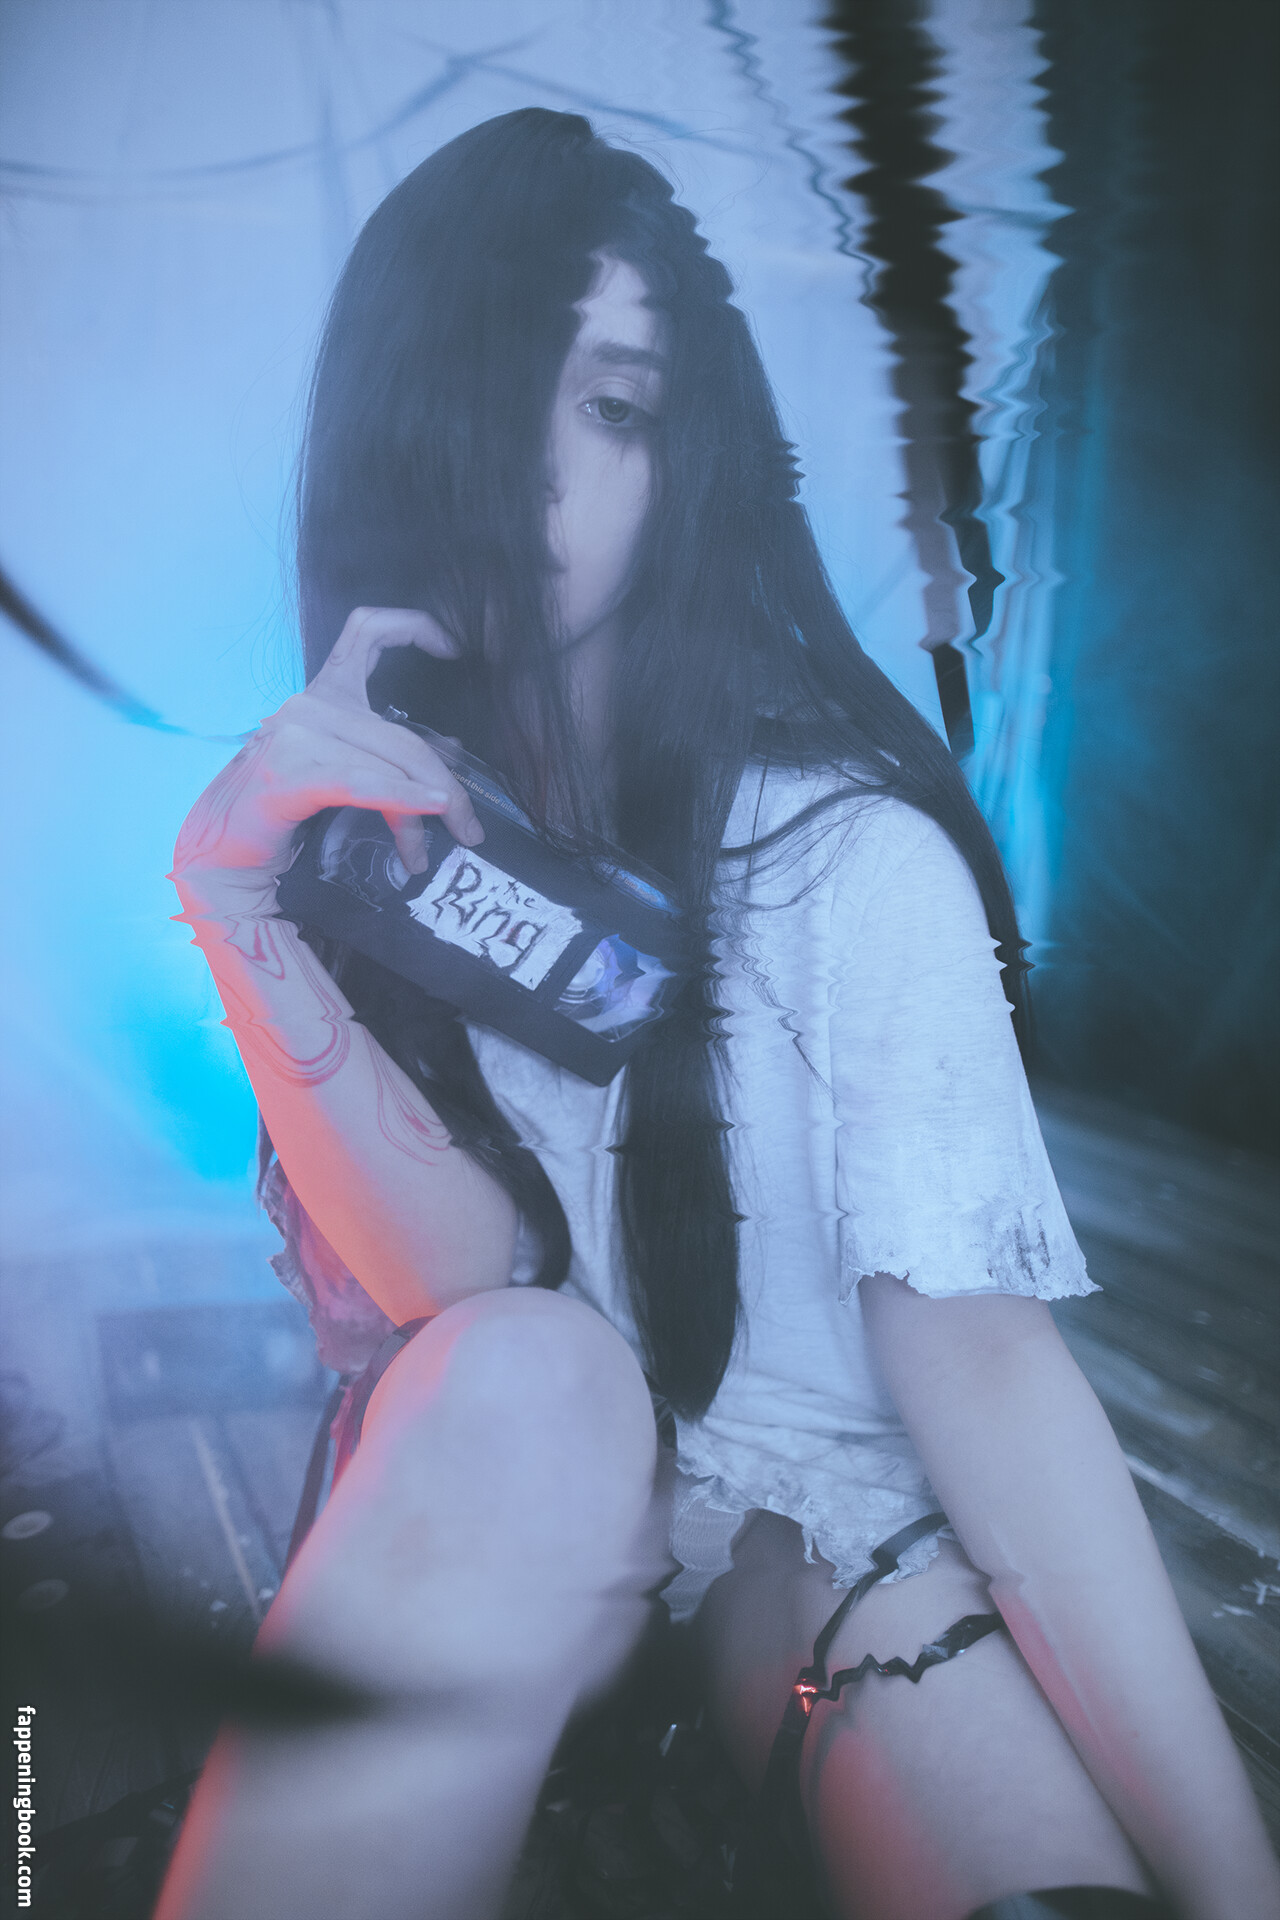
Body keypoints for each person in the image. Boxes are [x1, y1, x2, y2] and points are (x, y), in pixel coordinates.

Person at [156, 109, 1279, 1920]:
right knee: (531, 1377)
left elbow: (986, 1370)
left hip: (811, 1547)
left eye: (611, 408)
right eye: (495, 390)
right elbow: (464, 1297)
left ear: (688, 459)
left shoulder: (844, 861)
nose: (541, 478)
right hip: (527, 1513)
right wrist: (239, 909)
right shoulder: (373, 829)